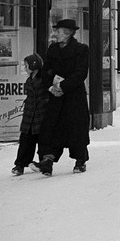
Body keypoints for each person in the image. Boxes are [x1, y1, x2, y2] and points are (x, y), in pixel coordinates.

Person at [36, 19, 90, 176]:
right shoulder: (53, 49)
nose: (56, 34)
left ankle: (80, 160)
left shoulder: (81, 49)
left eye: (58, 31)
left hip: (74, 96)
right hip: (55, 96)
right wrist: (50, 87)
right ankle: (47, 161)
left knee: (76, 128)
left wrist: (63, 86)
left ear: (67, 33)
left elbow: (81, 73)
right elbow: (46, 70)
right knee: (51, 128)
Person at [11, 54, 48, 175]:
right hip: (29, 114)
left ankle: (44, 163)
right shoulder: (29, 79)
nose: (25, 68)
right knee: (26, 140)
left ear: (34, 66)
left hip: (40, 114)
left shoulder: (43, 79)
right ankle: (20, 164)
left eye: (26, 66)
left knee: (42, 140)